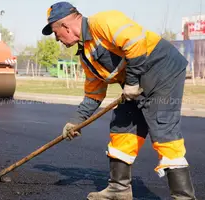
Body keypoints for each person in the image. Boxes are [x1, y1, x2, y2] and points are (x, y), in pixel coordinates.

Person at [41, 2, 197, 199]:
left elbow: (135, 43)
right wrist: (76, 121)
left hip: (162, 70)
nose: (57, 39)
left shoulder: (103, 21)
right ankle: (119, 188)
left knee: (163, 129)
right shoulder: (86, 54)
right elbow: (93, 94)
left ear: (65, 26)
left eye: (55, 33)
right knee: (122, 126)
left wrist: (131, 82)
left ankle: (183, 196)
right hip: (135, 82)